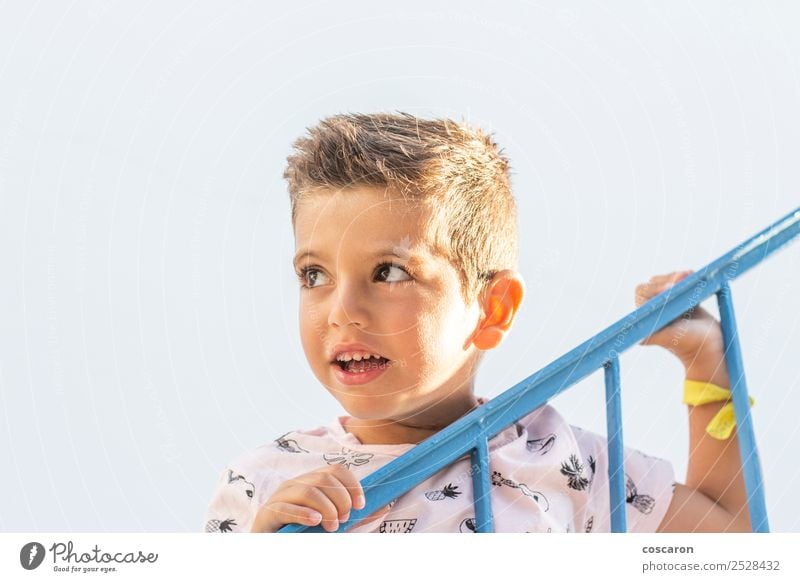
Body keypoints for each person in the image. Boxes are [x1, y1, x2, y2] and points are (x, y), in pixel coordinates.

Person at [203, 112, 752, 534]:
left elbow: (729, 539)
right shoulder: (264, 481)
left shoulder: (556, 457)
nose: (342, 309)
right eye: (314, 274)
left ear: (492, 309)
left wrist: (707, 362)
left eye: (389, 271)